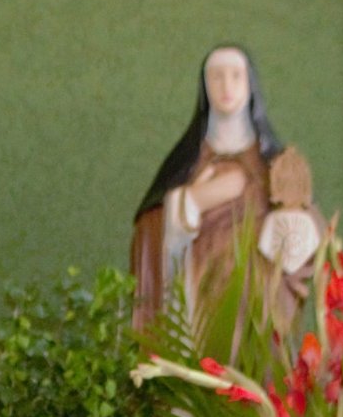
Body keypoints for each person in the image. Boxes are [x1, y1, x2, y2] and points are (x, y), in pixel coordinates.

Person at [130, 45, 321, 347]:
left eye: (236, 76)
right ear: (204, 87)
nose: (226, 86)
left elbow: (307, 227)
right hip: (199, 303)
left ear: (250, 85)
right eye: (216, 77)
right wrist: (190, 202)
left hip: (258, 313)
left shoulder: (275, 164)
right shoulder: (187, 163)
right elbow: (149, 231)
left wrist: (294, 228)